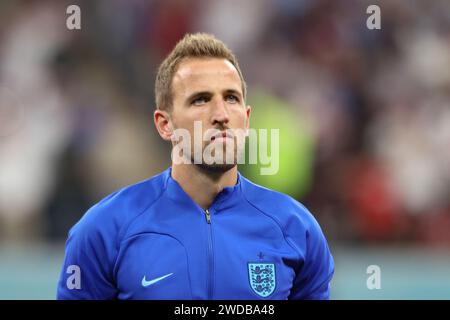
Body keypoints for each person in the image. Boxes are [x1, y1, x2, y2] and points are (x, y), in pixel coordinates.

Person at [57, 33, 334, 300]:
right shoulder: (104, 230)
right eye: (200, 99)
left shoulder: (298, 229)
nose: (221, 114)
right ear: (165, 124)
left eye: (231, 98)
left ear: (247, 119)